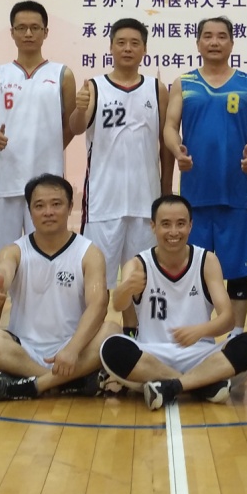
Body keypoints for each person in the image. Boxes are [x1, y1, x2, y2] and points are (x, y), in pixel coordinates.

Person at [99, 194, 247, 409]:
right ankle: (200, 385)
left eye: (180, 224)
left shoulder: (206, 261)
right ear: (153, 226)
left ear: (191, 225)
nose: (174, 232)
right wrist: (126, 288)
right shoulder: (139, 264)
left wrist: (200, 331)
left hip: (200, 354)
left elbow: (228, 320)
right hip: (151, 355)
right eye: (166, 224)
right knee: (110, 347)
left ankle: (170, 385)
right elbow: (118, 305)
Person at [162, 16, 247, 335]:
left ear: (232, 43)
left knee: (236, 270)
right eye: (207, 36)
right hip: (194, 196)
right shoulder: (183, 83)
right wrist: (177, 150)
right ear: (197, 43)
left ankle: (236, 337)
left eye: (222, 36)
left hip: (234, 194)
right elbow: (170, 126)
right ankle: (194, 335)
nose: (214, 42)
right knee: (194, 269)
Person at [0, 174, 116, 400]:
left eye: (56, 204)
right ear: (30, 211)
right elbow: (3, 270)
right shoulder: (13, 251)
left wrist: (72, 349)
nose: (48, 212)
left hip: (74, 348)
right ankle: (66, 382)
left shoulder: (89, 253)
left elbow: (98, 306)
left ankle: (32, 385)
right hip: (23, 350)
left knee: (112, 331)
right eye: (39, 206)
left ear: (70, 207)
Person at [69, 18, 172, 326]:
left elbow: (165, 146)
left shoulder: (156, 89)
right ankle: (91, 342)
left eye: (135, 43)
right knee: (96, 283)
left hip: (145, 203)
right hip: (103, 204)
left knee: (139, 283)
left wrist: (166, 192)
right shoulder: (94, 87)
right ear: (111, 47)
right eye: (121, 43)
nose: (128, 48)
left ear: (144, 49)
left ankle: (134, 340)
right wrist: (79, 108)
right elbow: (76, 127)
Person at [0, 0, 75, 301]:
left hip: (47, 186)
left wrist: (49, 147)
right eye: (21, 28)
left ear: (46, 32)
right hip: (4, 180)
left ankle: (46, 319)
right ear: (12, 32)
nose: (28, 33)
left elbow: (71, 125)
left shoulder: (62, 74)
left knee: (48, 259)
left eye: (35, 28)